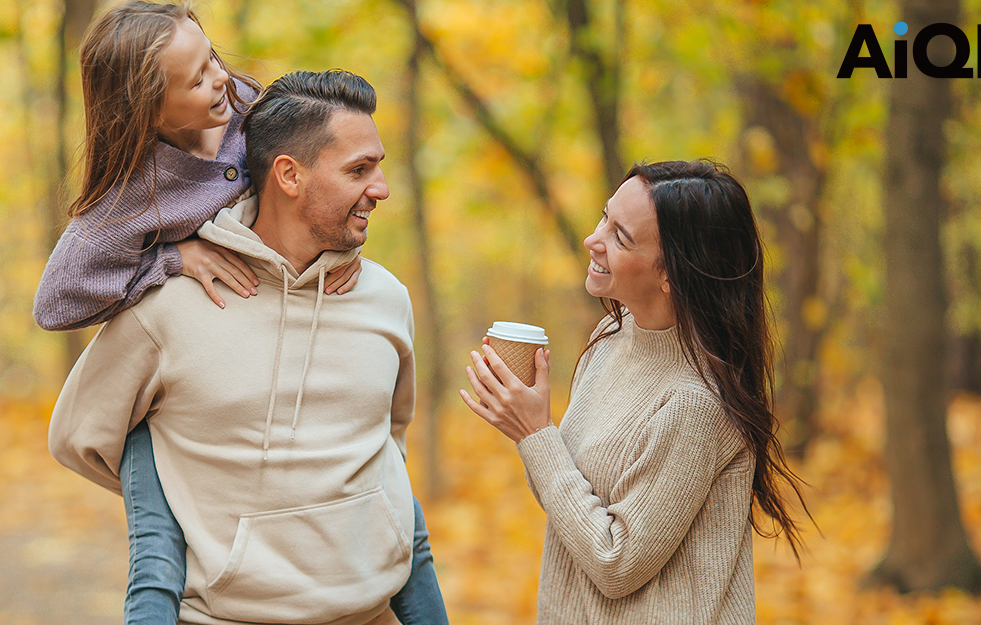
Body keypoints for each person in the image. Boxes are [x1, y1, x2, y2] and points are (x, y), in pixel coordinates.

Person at [50, 68, 446, 625]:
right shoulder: (172, 305)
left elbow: (389, 438)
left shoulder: (385, 298)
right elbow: (79, 438)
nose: (380, 188)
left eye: (378, 166)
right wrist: (195, 502)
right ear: (288, 174)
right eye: (359, 169)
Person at [460, 160, 808, 623]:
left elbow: (617, 564)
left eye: (620, 236)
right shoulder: (611, 336)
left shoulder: (694, 404)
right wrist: (530, 425)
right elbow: (569, 503)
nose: (593, 239)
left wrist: (535, 435)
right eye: (605, 216)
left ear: (673, 274)